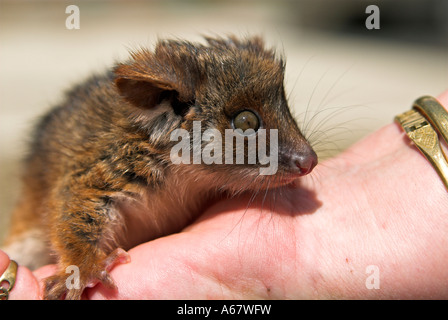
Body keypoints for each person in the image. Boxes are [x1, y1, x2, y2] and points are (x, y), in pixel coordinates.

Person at [2, 91, 447, 299]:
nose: (306, 159)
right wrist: (82, 263)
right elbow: (80, 200)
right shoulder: (133, 151)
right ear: (173, 110)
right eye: (248, 127)